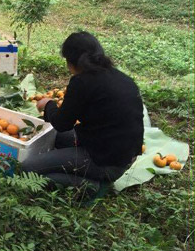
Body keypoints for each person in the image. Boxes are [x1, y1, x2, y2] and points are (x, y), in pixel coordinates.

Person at [21, 31, 144, 194]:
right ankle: (84, 173)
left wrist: (48, 105)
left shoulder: (82, 82)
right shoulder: (120, 77)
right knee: (53, 136)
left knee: (26, 169)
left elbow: (62, 123)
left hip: (105, 161)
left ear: (71, 61)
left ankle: (91, 186)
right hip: (122, 155)